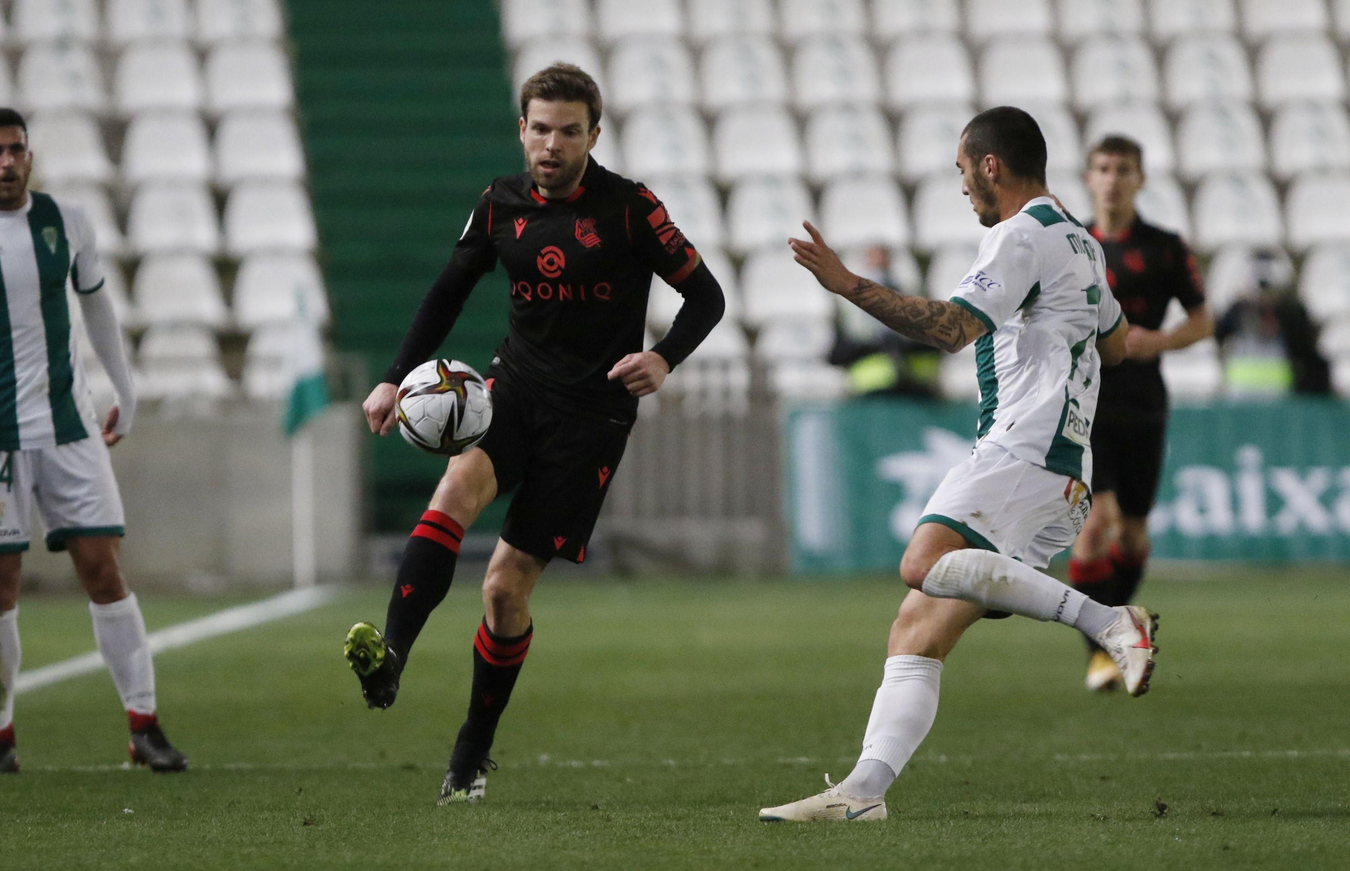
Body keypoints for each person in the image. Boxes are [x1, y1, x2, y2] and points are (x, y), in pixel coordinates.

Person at [759, 107, 1156, 823]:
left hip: (1022, 449)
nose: (963, 185)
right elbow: (1119, 343)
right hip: (1058, 462)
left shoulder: (1020, 236)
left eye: (962, 170)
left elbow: (949, 329)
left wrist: (848, 285)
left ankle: (1107, 621)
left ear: (991, 165)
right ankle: (863, 794)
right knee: (918, 628)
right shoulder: (1082, 242)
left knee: (921, 564)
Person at [343, 64, 725, 805]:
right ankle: (391, 655)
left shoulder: (630, 209)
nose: (552, 144)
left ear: (594, 135)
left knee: (503, 588)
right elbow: (446, 293)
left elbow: (705, 296)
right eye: (540, 128)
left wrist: (662, 357)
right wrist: (395, 376)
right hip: (514, 389)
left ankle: (471, 750)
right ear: (521, 129)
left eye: (569, 131)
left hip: (594, 416)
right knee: (455, 486)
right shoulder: (498, 204)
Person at [0, 107, 186, 776]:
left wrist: (125, 384)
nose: (6, 161)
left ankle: (144, 728)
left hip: (68, 428)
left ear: (30, 157)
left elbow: (96, 304)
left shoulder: (66, 221)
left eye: (16, 150)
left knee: (104, 571)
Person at [1066, 135, 1212, 691]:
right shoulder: (1074, 244)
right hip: (1089, 402)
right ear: (1088, 177)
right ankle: (1102, 652)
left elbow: (1202, 321)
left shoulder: (1164, 247)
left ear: (1141, 179)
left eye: (1123, 169)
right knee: (1095, 526)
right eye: (1103, 168)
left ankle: (1115, 634)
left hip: (1146, 403)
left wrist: (1160, 342)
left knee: (1133, 537)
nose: (1112, 178)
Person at [827, 244, 940, 398]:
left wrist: (904, 342)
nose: (879, 265)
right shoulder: (850, 309)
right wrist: (873, 345)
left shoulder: (912, 297)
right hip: (868, 390)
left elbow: (936, 343)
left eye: (883, 258)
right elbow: (836, 353)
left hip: (913, 386)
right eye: (873, 258)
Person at [1214, 250, 1331, 396]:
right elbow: (1216, 334)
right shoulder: (1237, 311)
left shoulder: (1292, 314)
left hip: (1283, 392)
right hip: (1241, 392)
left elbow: (1308, 351)